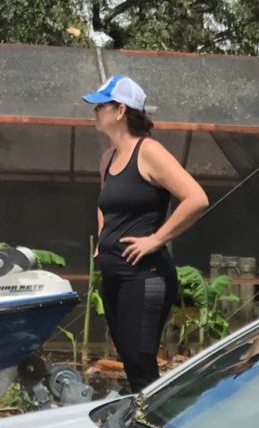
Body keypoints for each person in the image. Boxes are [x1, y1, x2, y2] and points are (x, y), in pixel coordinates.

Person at [83, 74, 209, 394]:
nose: (95, 111)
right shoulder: (107, 158)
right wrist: (103, 239)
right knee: (127, 356)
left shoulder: (149, 152)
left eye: (101, 106)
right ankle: (141, 422)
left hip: (145, 276)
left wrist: (156, 239)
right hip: (113, 274)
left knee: (141, 363)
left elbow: (196, 198)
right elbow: (105, 203)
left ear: (121, 111)